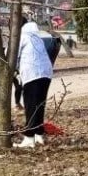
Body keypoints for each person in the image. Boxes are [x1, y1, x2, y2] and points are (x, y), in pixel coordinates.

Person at [15, 20, 54, 148]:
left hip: (32, 74)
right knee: (39, 105)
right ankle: (39, 135)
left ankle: (29, 137)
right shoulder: (37, 37)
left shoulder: (21, 36)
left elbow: (12, 55)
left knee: (31, 105)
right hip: (46, 73)